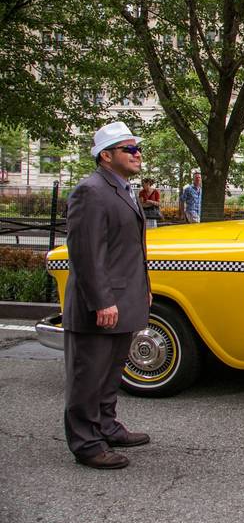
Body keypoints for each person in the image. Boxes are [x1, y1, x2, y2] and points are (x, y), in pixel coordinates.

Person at [63, 121, 152, 470]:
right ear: (106, 155)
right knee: (89, 374)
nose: (137, 154)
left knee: (111, 370)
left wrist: (142, 289)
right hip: (101, 303)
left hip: (124, 297)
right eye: (129, 149)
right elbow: (86, 253)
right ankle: (86, 443)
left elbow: (129, 249)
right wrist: (101, 300)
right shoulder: (91, 191)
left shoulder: (122, 188)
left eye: (137, 148)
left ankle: (106, 425)